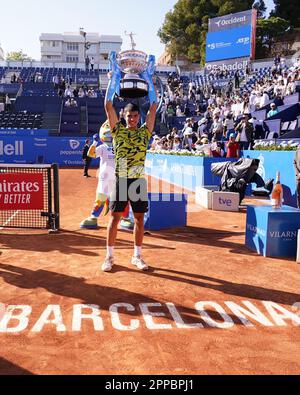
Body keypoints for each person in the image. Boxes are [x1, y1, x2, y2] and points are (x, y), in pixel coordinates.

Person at [102, 51, 157, 272]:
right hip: (121, 180)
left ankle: (137, 256)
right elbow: (108, 105)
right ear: (124, 116)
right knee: (115, 219)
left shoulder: (145, 133)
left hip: (137, 181)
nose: (132, 118)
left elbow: (153, 107)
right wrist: (115, 77)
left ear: (138, 118)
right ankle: (109, 257)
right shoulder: (118, 132)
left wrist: (149, 77)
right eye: (129, 115)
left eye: (135, 116)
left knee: (139, 220)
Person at [80, 122, 116, 228]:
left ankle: (126, 218)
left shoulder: (120, 146)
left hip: (118, 177)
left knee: (122, 198)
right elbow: (91, 154)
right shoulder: (102, 147)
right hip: (105, 178)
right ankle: (93, 217)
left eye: (111, 133)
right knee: (101, 197)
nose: (109, 136)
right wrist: (95, 143)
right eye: (107, 133)